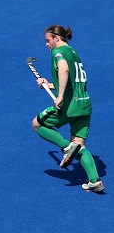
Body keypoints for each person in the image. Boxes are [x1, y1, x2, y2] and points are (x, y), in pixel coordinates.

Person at [31, 25, 103, 192]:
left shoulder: (58, 52)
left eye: (48, 40)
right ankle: (95, 181)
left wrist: (61, 96)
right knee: (79, 145)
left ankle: (66, 147)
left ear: (56, 38)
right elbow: (72, 80)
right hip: (85, 105)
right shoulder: (73, 52)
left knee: (37, 124)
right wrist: (49, 85)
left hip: (70, 105)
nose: (46, 44)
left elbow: (63, 70)